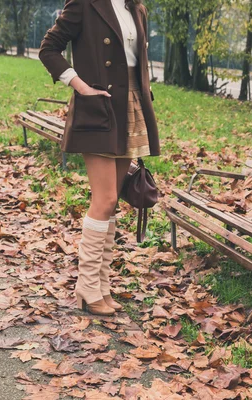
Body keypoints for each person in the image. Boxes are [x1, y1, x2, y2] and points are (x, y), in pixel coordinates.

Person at [39, 0, 160, 316]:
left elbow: (136, 63)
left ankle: (101, 286)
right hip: (99, 107)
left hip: (129, 106)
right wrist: (79, 85)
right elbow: (49, 48)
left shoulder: (136, 7)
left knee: (113, 201)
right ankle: (87, 287)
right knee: (104, 199)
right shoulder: (85, 4)